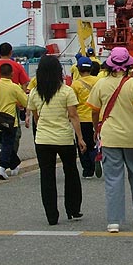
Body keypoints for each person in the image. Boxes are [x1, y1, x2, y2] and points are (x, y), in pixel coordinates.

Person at [87, 47, 133, 234]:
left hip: (109, 137)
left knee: (113, 179)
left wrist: (96, 128)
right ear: (128, 66)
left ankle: (114, 221)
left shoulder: (100, 84)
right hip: (132, 136)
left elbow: (94, 110)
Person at [28, 55, 86, 226]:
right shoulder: (66, 91)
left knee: (47, 176)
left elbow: (36, 117)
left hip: (43, 139)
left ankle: (51, 215)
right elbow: (74, 116)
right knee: (71, 172)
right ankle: (73, 209)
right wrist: (80, 138)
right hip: (64, 138)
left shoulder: (35, 92)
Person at [0, 42, 31, 158]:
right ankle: (11, 150)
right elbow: (25, 83)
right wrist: (22, 99)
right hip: (13, 100)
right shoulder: (17, 66)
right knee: (13, 127)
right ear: (11, 52)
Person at [70, 57, 101, 178]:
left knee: (82, 144)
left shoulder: (75, 84)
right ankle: (97, 157)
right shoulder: (98, 81)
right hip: (97, 117)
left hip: (82, 119)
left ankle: (87, 170)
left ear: (78, 69)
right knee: (96, 142)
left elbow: (73, 103)